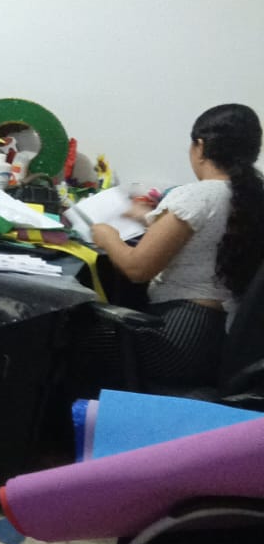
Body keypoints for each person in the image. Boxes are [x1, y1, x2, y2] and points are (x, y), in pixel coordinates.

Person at [86, 103, 264, 388]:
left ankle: (78, 417)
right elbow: (212, 232)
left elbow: (137, 269)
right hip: (219, 344)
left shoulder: (198, 195)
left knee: (74, 335)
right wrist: (149, 218)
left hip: (178, 341)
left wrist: (107, 235)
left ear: (200, 146)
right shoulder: (253, 197)